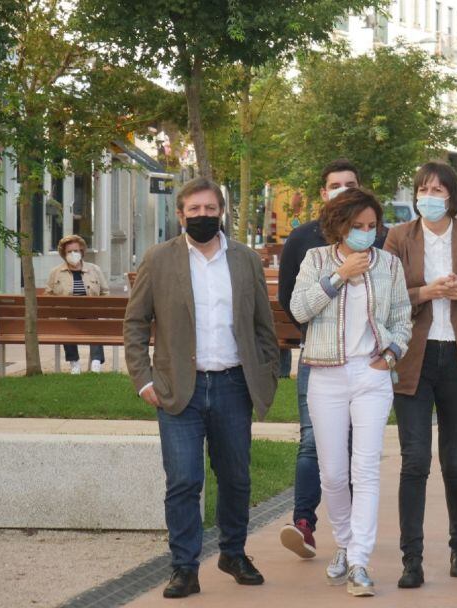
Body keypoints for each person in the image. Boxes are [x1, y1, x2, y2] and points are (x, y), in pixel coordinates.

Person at [124, 178, 279, 599]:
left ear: (222, 211)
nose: (202, 216)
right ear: (180, 215)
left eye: (210, 209)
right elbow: (135, 323)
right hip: (179, 390)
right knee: (184, 481)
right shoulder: (159, 260)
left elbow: (263, 325)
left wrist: (266, 373)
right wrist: (142, 379)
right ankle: (184, 568)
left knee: (235, 478)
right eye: (194, 210)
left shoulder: (245, 259)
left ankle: (232, 552)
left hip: (233, 386)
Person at [382, 161, 457, 588]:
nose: (429, 196)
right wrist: (426, 293)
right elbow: (387, 296)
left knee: (454, 460)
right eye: (423, 189)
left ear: (452, 195)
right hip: (414, 358)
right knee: (414, 460)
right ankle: (410, 558)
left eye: (438, 189)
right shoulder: (399, 237)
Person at [290, 187, 412, 597]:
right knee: (333, 473)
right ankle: (343, 542)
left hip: (371, 375)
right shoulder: (316, 260)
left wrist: (391, 355)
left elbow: (402, 319)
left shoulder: (389, 265)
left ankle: (359, 560)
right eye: (356, 226)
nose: (365, 234)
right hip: (325, 374)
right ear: (338, 226)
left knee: (366, 469)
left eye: (371, 226)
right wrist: (339, 276)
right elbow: (300, 310)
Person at [277, 159, 385, 561]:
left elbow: (392, 303)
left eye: (350, 184)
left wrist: (388, 353)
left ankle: (355, 541)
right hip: (319, 361)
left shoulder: (378, 240)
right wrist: (317, 333)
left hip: (366, 366)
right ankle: (304, 522)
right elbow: (293, 300)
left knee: (359, 452)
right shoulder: (304, 240)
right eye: (335, 185)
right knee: (313, 443)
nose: (342, 190)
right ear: (324, 194)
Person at [48, 234, 109, 374]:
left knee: (95, 323)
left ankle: (95, 362)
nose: (73, 254)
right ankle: (74, 363)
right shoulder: (56, 273)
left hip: (91, 314)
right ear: (64, 254)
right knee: (66, 325)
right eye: (69, 252)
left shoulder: (95, 270)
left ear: (82, 251)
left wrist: (99, 309)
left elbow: (105, 293)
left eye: (76, 251)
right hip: (68, 316)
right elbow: (49, 295)